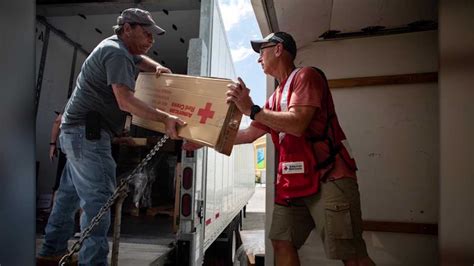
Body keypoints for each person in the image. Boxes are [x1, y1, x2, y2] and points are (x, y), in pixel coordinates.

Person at [185, 32, 375, 266]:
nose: (258, 59)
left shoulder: (307, 76)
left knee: (352, 255)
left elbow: (297, 124)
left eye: (261, 51)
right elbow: (246, 135)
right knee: (281, 241)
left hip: (329, 178)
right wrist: (203, 139)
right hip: (294, 184)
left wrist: (251, 109)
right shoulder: (274, 98)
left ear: (278, 49)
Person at [37, 8, 185, 265]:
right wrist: (166, 118)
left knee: (68, 197)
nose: (151, 40)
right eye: (146, 33)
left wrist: (158, 66)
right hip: (87, 136)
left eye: (154, 36)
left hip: (76, 133)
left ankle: (51, 250)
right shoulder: (117, 54)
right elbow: (125, 101)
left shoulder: (116, 47)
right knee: (99, 201)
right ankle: (92, 262)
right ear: (127, 28)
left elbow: (139, 60)